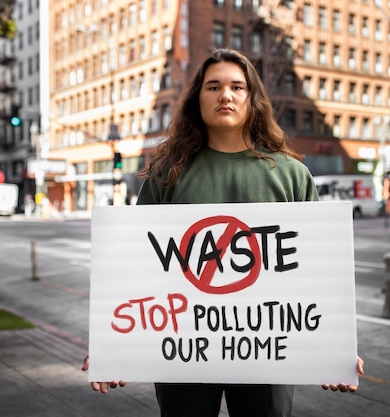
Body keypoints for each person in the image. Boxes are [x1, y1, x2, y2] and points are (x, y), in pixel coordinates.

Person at [82, 48, 364, 416]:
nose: (226, 95)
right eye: (213, 87)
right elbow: (138, 265)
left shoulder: (292, 175)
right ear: (197, 99)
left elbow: (317, 271)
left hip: (269, 349)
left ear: (253, 99)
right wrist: (111, 345)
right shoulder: (168, 173)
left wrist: (336, 348)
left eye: (237, 87)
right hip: (183, 348)